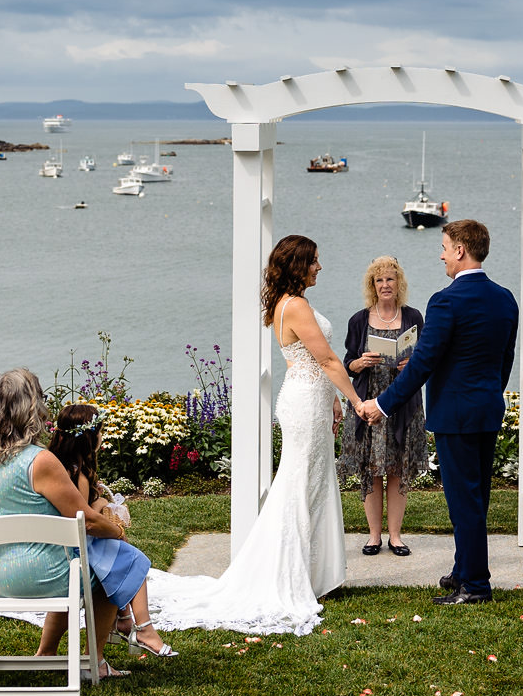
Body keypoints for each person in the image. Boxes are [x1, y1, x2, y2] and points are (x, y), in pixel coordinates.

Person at [146, 234, 365, 634]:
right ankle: (288, 577)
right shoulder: (295, 305)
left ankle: (312, 573)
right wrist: (354, 400)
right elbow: (329, 359)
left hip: (310, 398)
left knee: (312, 483)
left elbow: (316, 363)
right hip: (303, 403)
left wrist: (332, 398)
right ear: (299, 265)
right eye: (314, 261)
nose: (320, 267)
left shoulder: (289, 303)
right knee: (298, 485)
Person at [358, 219, 518, 605]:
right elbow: (505, 359)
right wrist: (488, 394)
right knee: (476, 495)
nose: (442, 254)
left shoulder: (445, 301)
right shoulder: (505, 298)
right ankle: (464, 570)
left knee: (464, 501)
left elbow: (423, 363)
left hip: (456, 415)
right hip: (486, 409)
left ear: (461, 250)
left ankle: (476, 585)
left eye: (445, 247)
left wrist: (382, 403)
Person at [0, 369, 143, 678]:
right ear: (31, 409)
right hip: (42, 575)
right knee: (112, 566)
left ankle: (47, 652)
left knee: (74, 563)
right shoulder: (40, 461)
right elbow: (86, 521)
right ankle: (96, 661)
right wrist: (117, 531)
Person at [37, 402, 176, 659]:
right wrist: (103, 508)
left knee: (120, 560)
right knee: (134, 560)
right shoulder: (77, 475)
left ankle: (121, 619)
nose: (102, 436)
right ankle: (142, 627)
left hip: (60, 545)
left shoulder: (61, 467)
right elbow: (82, 519)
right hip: (78, 546)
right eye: (99, 431)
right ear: (89, 437)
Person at [339, 255, 427, 556]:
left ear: (398, 283)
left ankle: (396, 536)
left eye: (390, 279)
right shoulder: (359, 319)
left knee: (398, 469)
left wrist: (411, 365)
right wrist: (360, 362)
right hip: (370, 403)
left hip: (402, 402)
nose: (385, 285)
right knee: (372, 470)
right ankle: (373, 536)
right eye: (379, 280)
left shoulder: (414, 317)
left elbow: (426, 357)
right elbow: (346, 363)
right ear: (372, 286)